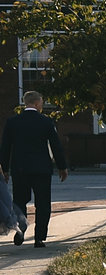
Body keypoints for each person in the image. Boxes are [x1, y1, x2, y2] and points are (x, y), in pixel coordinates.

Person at [1, 91, 69, 249]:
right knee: (43, 203)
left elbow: (5, 147)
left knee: (19, 201)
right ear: (38, 103)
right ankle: (39, 238)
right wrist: (62, 166)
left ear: (26, 103)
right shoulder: (46, 122)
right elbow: (56, 146)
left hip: (20, 168)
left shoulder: (12, 122)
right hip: (41, 169)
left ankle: (21, 229)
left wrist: (4, 169)